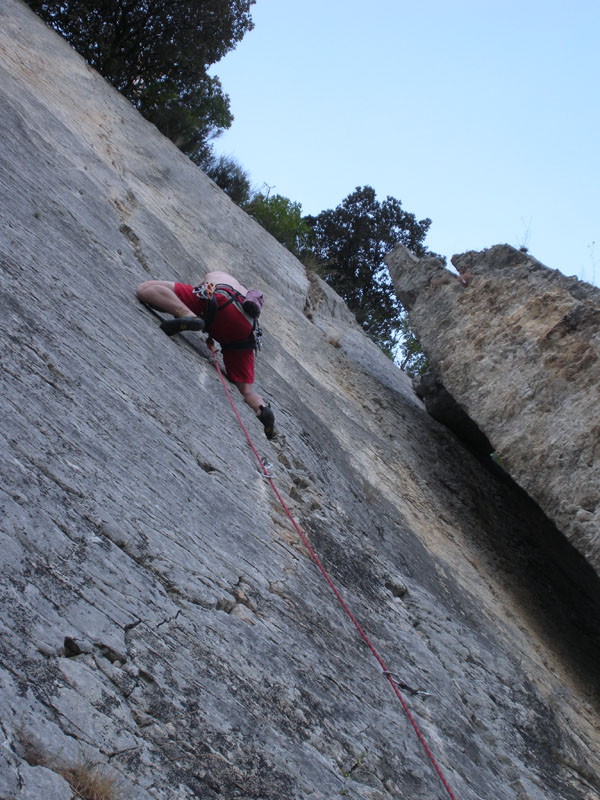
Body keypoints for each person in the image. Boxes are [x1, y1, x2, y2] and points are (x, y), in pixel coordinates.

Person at [136, 271, 275, 439]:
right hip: (245, 331)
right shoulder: (246, 297)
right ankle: (261, 408)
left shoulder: (218, 275)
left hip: (217, 302)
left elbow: (196, 290)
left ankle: (187, 315)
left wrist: (181, 309)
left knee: (145, 288)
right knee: (247, 391)